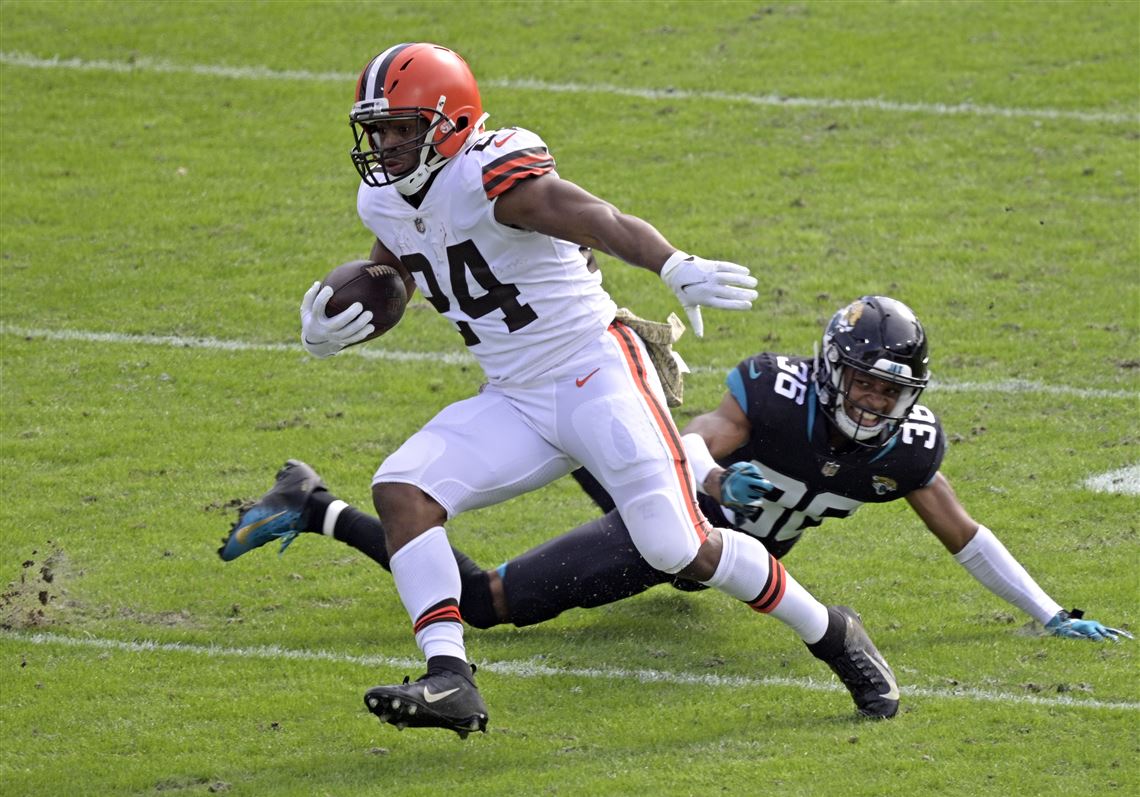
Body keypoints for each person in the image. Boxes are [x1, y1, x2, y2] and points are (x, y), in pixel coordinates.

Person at [247, 41, 904, 736]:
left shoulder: (493, 174)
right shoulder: (383, 196)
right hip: (514, 393)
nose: (386, 143)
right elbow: (403, 263)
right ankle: (450, 676)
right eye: (377, 128)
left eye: (405, 127)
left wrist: (672, 262)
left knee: (677, 547)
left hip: (597, 373)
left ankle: (833, 632)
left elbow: (597, 217)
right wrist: (341, 318)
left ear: (454, 121)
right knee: (403, 487)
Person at [221, 296, 1130, 679]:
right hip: (678, 519)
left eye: (889, 389)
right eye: (861, 380)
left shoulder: (907, 450)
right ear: (828, 369)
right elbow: (694, 443)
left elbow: (963, 533)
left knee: (611, 454)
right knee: (492, 599)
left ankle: (317, 500)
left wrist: (1047, 610)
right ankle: (320, 506)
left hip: (707, 550)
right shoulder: (776, 394)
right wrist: (696, 467)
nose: (870, 399)